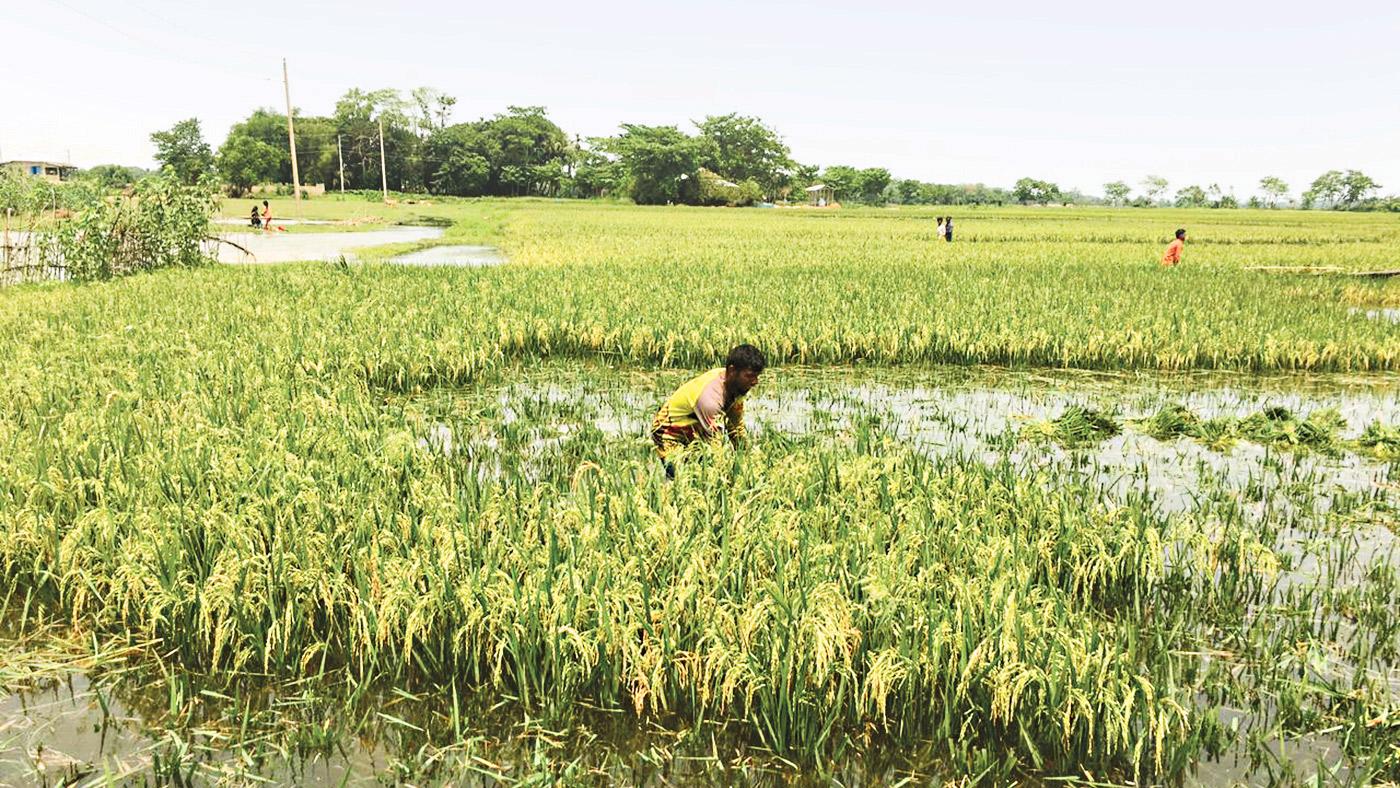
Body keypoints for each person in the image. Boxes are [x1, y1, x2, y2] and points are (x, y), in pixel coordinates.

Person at [651, 344, 765, 478]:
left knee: (702, 474)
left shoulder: (737, 385)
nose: (755, 382)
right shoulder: (709, 399)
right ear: (732, 370)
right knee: (681, 480)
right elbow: (715, 443)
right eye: (750, 376)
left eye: (757, 376)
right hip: (669, 434)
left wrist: (749, 462)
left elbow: (735, 428)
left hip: (694, 432)